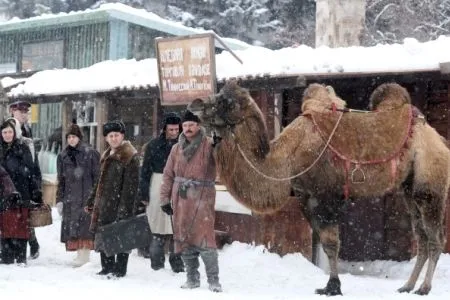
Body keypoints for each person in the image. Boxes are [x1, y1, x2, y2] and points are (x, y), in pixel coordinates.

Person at [160, 110, 222, 292]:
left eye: (191, 125)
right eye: (185, 125)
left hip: (203, 197)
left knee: (205, 238)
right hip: (180, 198)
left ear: (199, 126)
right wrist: (164, 199)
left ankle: (213, 280)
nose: (187, 128)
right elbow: (168, 174)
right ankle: (192, 278)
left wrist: (221, 147)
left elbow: (223, 161)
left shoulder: (210, 144)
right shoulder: (175, 148)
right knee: (184, 238)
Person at [85, 120, 139, 278]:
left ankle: (120, 269)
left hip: (120, 202)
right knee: (104, 233)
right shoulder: (107, 155)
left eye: (117, 135)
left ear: (122, 136)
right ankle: (107, 266)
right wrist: (91, 200)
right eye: (111, 136)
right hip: (104, 203)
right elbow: (99, 182)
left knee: (121, 234)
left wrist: (124, 208)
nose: (114, 138)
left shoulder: (129, 156)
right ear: (106, 138)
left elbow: (130, 187)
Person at [138, 112, 184, 273]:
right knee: (157, 228)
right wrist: (143, 195)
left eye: (176, 129)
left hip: (179, 185)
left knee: (177, 228)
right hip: (157, 184)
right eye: (170, 129)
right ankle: (157, 265)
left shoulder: (185, 145)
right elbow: (144, 172)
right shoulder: (153, 145)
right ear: (164, 129)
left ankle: (177, 264)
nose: (173, 132)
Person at [56, 123, 100, 267]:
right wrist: (59, 199)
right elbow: (60, 180)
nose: (71, 140)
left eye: (74, 137)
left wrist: (95, 196)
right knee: (74, 227)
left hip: (86, 195)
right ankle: (79, 254)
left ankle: (84, 255)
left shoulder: (90, 153)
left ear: (79, 138)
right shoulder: (62, 156)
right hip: (70, 197)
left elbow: (97, 177)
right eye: (69, 137)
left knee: (85, 227)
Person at [0, 120, 42, 265]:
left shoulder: (22, 148)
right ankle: (6, 257)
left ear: (14, 133)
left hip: (22, 191)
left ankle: (20, 257)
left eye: (9, 132)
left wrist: (35, 190)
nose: (7, 135)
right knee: (5, 226)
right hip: (3, 193)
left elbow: (31, 170)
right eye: (4, 132)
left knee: (20, 226)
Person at [8, 100, 41, 259]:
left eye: (26, 112)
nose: (24, 114)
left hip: (26, 176)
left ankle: (31, 242)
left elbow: (33, 158)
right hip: (9, 176)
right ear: (12, 111)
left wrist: (36, 179)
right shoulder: (6, 129)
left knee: (25, 213)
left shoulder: (27, 129)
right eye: (21, 111)